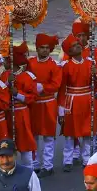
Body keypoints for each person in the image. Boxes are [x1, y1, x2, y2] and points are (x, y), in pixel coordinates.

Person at [58, 35, 97, 169]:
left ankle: (87, 160)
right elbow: (62, 90)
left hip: (87, 101)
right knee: (70, 134)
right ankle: (68, 160)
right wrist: (61, 110)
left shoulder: (91, 62)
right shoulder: (65, 66)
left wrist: (95, 75)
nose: (77, 46)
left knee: (88, 133)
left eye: (78, 43)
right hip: (71, 101)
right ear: (69, 52)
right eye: (73, 46)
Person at [28, 34, 61, 176]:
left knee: (48, 136)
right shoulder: (29, 63)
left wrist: (40, 87)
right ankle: (34, 164)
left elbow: (56, 85)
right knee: (33, 135)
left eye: (47, 48)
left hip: (48, 103)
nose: (45, 50)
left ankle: (47, 166)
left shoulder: (54, 65)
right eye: (42, 48)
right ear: (36, 48)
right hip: (33, 104)